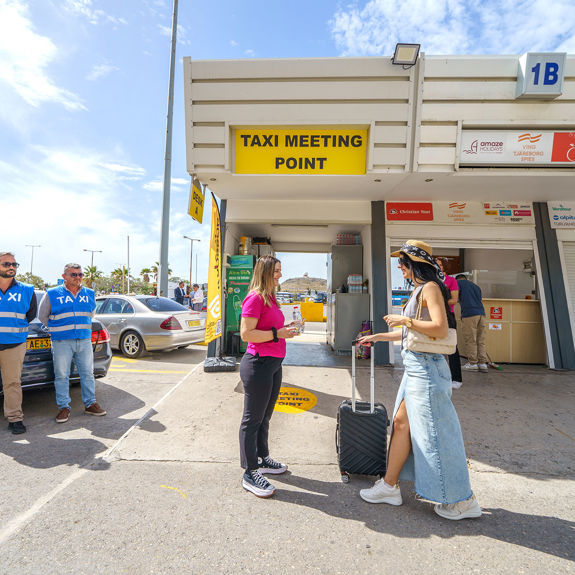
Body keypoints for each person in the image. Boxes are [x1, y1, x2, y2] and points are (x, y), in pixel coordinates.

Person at [358, 240, 481, 521]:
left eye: (402, 262)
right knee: (401, 424)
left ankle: (463, 501)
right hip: (416, 367)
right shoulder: (420, 290)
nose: (399, 267)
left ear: (415, 263)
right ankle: (389, 486)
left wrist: (406, 322)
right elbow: (416, 336)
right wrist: (378, 337)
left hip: (426, 370)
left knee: (436, 436)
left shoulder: (430, 288)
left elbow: (439, 328)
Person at [238, 256, 300, 498]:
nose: (279, 275)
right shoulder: (254, 298)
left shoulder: (270, 298)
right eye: (276, 271)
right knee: (252, 420)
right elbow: (247, 334)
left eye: (280, 271)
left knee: (265, 417)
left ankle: (263, 459)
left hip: (274, 364)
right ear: (264, 272)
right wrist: (278, 333)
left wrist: (286, 328)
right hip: (258, 364)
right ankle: (250, 471)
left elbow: (271, 329)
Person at [39, 263, 107, 423]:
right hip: (61, 341)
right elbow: (42, 316)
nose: (78, 277)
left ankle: (90, 404)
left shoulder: (89, 293)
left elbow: (90, 314)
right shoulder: (52, 293)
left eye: (80, 274)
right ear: (64, 277)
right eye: (73, 274)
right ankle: (64, 407)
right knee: (62, 375)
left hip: (83, 340)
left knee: (88, 374)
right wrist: (58, 329)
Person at [0, 252, 36, 435]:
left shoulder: (27, 290)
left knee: (12, 383)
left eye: (14, 264)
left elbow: (30, 315)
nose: (11, 267)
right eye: (6, 263)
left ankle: (15, 419)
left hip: (14, 344)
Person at [434, 257, 463, 389]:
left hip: (448, 316)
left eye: (440, 265)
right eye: (436, 264)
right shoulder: (432, 281)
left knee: (452, 346)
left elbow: (454, 300)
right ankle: (437, 377)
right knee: (433, 346)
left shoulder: (451, 281)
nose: (437, 267)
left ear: (445, 267)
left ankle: (456, 378)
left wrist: (438, 302)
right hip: (433, 316)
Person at [456, 274, 488, 372]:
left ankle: (473, 363)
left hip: (469, 314)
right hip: (482, 314)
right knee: (480, 340)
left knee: (470, 339)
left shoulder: (458, 283)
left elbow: (455, 298)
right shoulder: (476, 287)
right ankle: (482, 363)